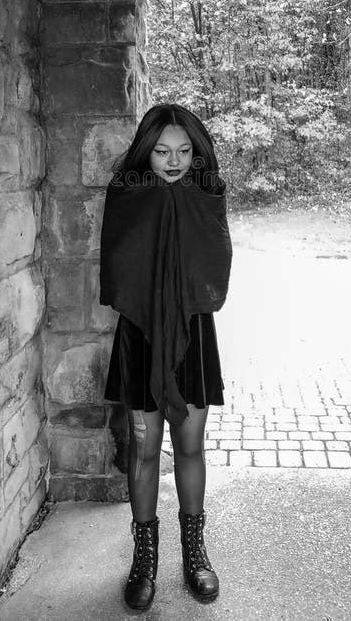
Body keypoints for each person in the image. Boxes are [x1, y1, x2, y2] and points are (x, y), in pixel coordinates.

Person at [100, 103, 232, 611]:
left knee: (191, 444)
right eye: (161, 151)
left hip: (193, 332)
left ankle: (195, 553)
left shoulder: (205, 197)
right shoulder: (127, 197)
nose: (173, 160)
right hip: (140, 332)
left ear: (196, 154)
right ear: (145, 152)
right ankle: (144, 559)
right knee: (146, 448)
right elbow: (117, 265)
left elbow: (217, 264)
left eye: (183, 151)